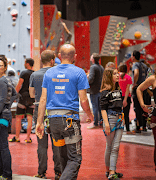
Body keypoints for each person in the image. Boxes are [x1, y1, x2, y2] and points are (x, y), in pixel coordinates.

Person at [36, 44, 94, 180]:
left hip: (53, 122)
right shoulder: (79, 72)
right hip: (69, 121)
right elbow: (84, 99)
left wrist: (39, 122)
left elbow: (42, 99)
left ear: (59, 56)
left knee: (63, 157)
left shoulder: (49, 73)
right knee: (74, 159)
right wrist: (90, 115)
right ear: (75, 56)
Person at [29, 50, 62, 179]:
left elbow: (32, 95)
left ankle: (41, 172)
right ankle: (58, 172)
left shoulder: (34, 75)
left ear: (41, 60)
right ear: (53, 60)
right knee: (57, 143)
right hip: (55, 110)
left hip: (39, 109)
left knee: (41, 144)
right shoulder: (57, 74)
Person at [100, 68, 125, 180]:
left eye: (117, 73)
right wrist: (106, 124)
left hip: (120, 118)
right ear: (109, 76)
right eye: (114, 74)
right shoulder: (105, 92)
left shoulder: (118, 89)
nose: (117, 75)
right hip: (111, 119)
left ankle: (112, 170)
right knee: (110, 146)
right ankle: (109, 171)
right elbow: (103, 109)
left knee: (116, 146)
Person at [10, 58, 35, 143]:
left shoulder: (24, 73)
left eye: (25, 63)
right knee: (30, 118)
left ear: (27, 64)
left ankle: (17, 137)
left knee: (18, 117)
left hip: (23, 97)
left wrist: (14, 95)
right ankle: (28, 138)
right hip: (32, 98)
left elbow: (19, 84)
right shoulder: (35, 74)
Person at [131, 50, 148, 133]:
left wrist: (134, 84)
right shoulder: (144, 65)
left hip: (138, 89)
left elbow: (136, 73)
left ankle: (138, 127)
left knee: (137, 108)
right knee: (144, 107)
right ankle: (144, 126)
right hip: (144, 88)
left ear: (134, 57)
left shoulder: (135, 65)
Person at [87, 53, 104, 129]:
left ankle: (95, 123)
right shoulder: (101, 67)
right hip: (100, 89)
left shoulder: (93, 67)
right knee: (100, 107)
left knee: (95, 107)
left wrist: (86, 80)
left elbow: (91, 79)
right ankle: (101, 122)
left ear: (93, 59)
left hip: (94, 90)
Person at [118, 64, 132, 133]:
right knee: (126, 114)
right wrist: (125, 100)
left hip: (118, 97)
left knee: (119, 114)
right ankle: (128, 130)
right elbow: (127, 89)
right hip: (127, 97)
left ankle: (119, 129)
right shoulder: (128, 77)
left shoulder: (117, 77)